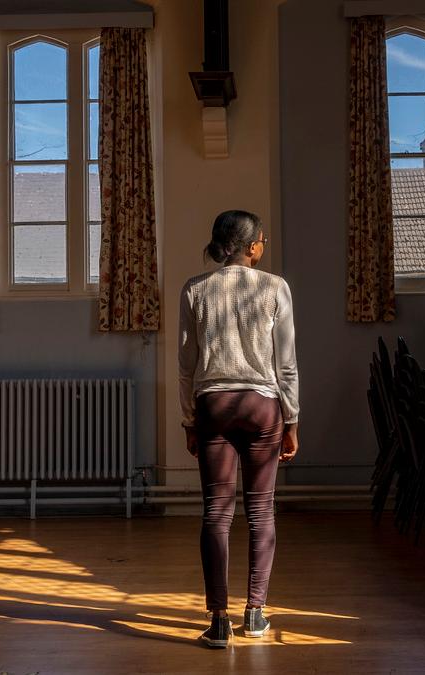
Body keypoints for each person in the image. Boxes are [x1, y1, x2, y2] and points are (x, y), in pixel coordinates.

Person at [177, 209, 300, 648]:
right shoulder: (275, 287)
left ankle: (217, 620)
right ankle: (255, 612)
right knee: (261, 511)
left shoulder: (195, 289)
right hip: (263, 406)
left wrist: (190, 421)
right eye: (262, 240)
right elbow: (285, 364)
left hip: (213, 405)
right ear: (251, 247)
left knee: (216, 513)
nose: (264, 246)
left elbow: (187, 366)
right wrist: (292, 421)